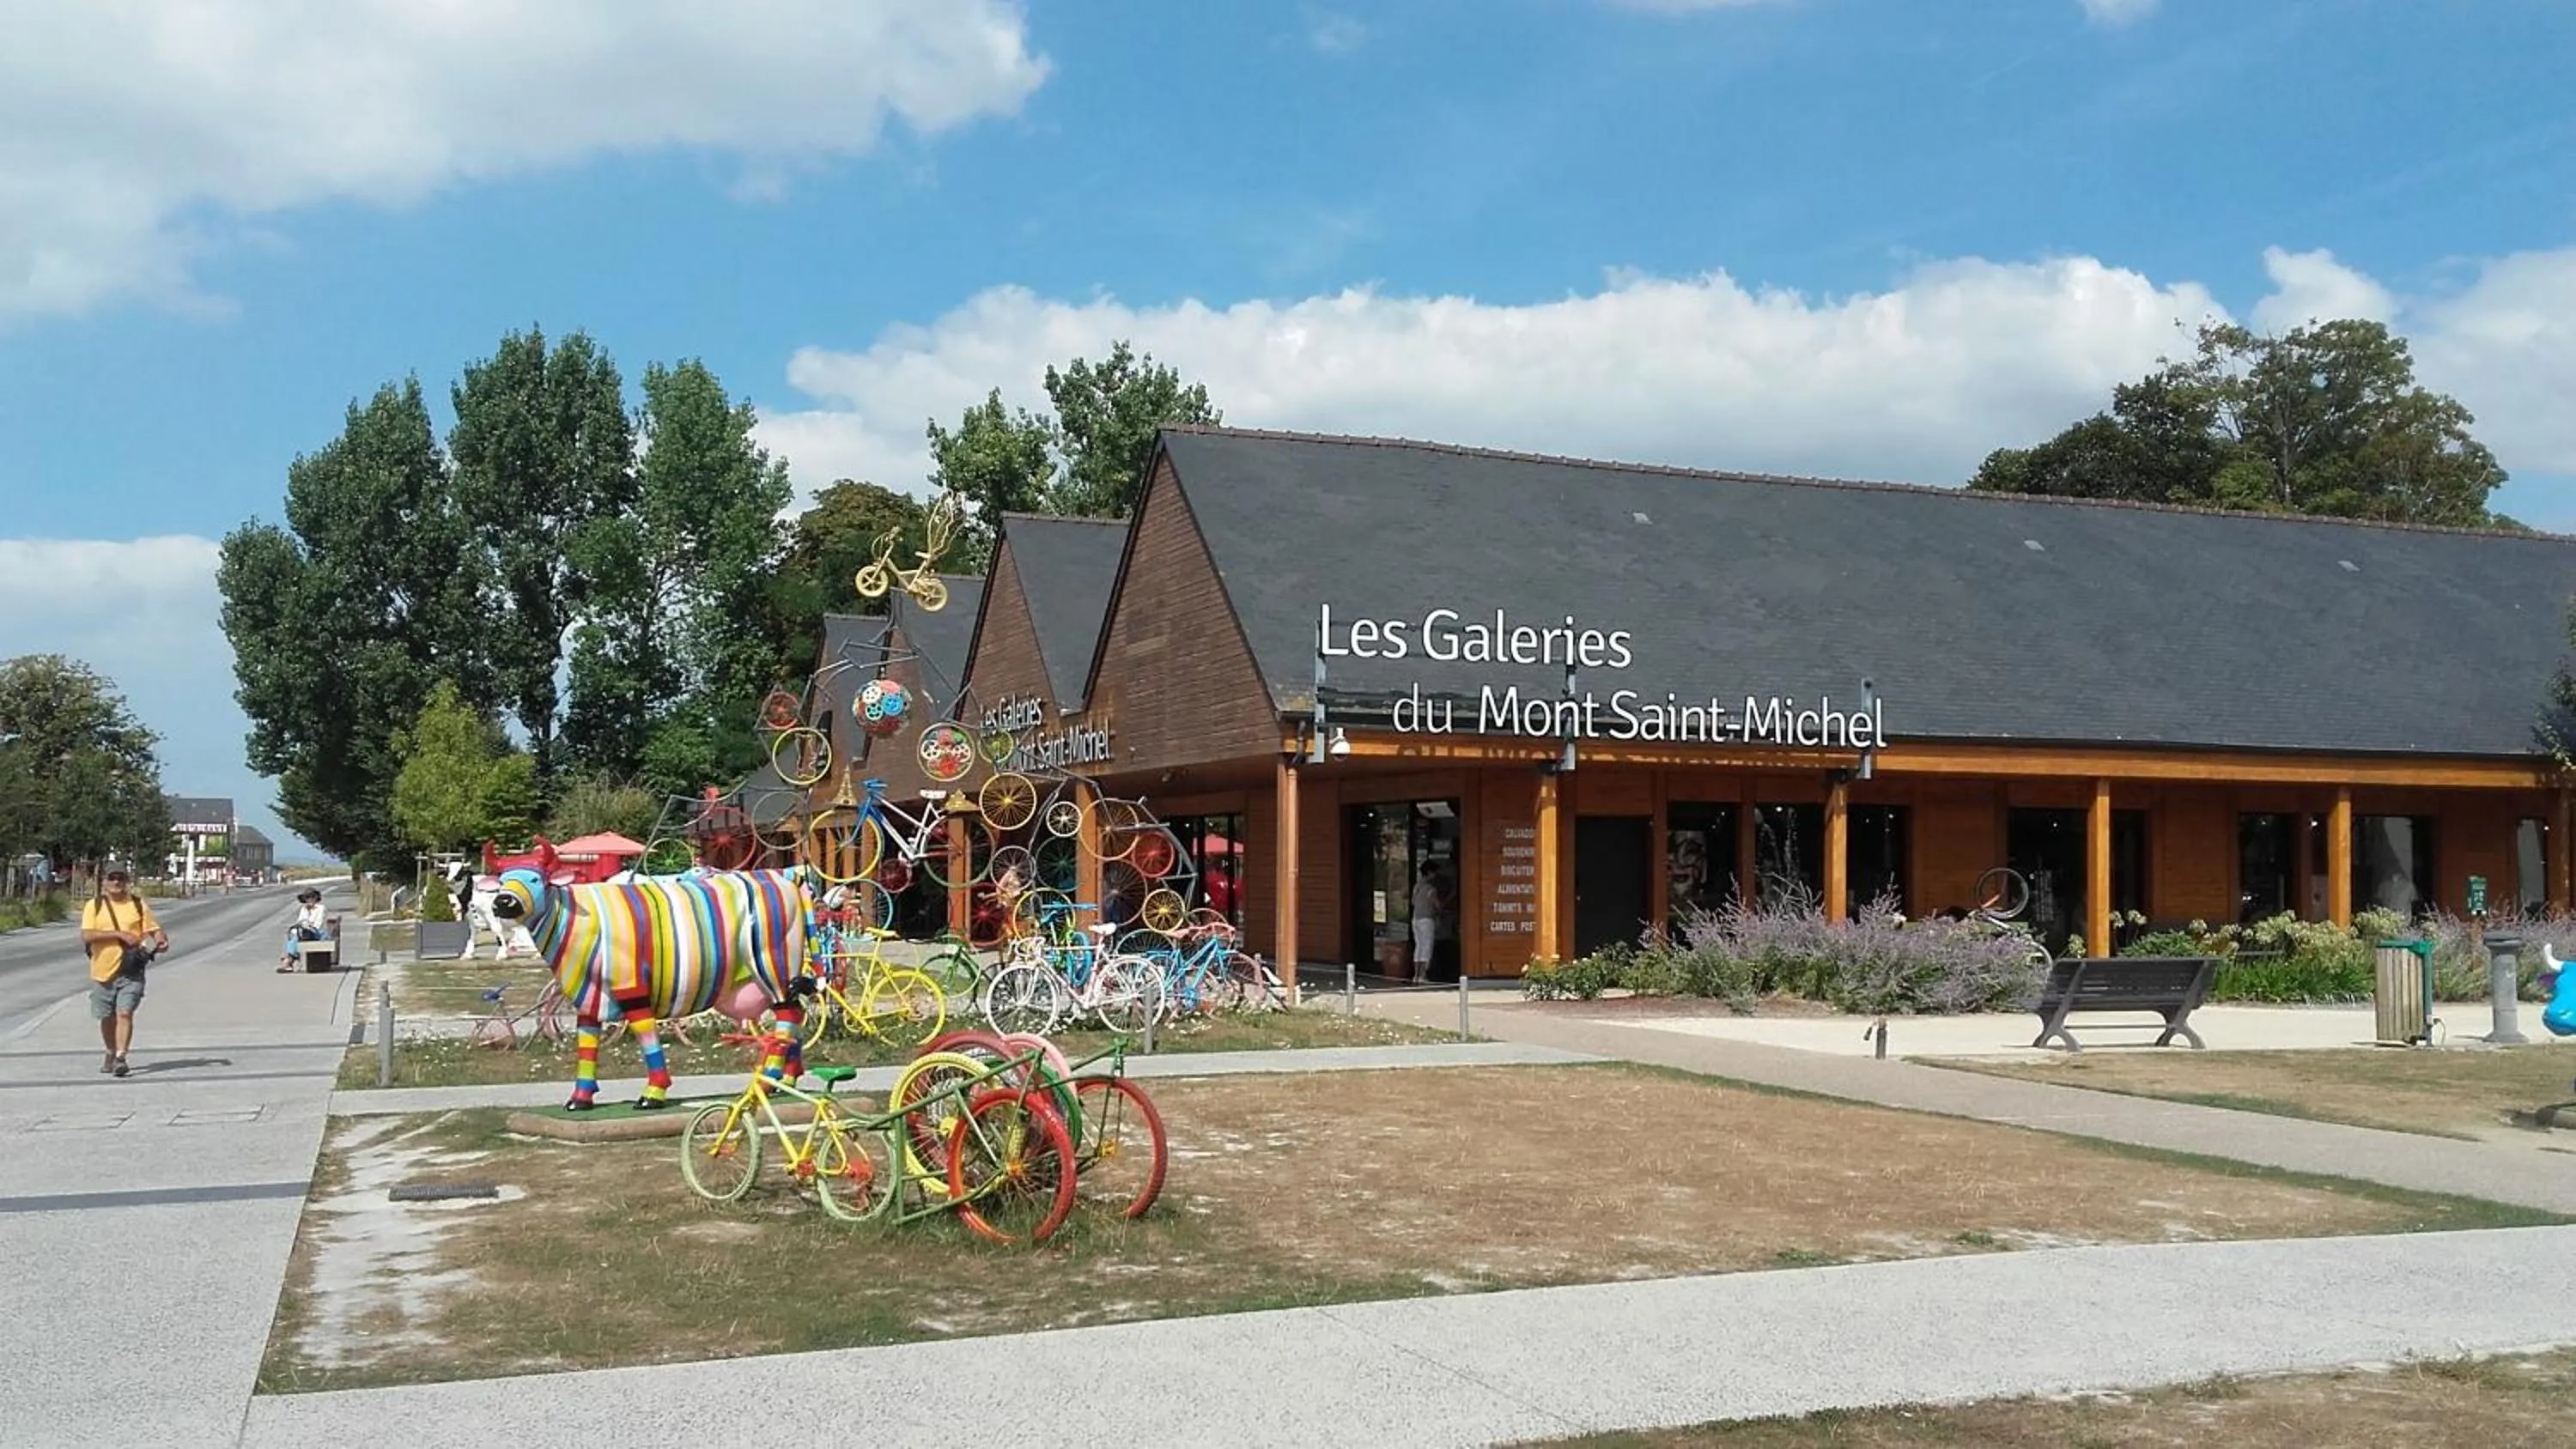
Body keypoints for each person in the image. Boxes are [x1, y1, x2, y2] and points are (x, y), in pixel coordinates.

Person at [82, 868, 167, 1077]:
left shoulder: (137, 904)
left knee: (124, 1012)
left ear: (127, 881)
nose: (117, 882)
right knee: (107, 1017)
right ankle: (110, 1050)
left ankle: (121, 1057)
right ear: (104, 882)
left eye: (121, 878)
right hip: (103, 970)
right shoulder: (95, 905)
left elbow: (154, 928)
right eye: (112, 878)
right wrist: (118, 934)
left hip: (131, 969)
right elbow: (87, 935)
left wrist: (160, 939)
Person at [1410, 862, 1444, 984]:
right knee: (1426, 947)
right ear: (1430, 872)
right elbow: (1437, 905)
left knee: (1418, 947)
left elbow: (1413, 902)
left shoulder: (1417, 886)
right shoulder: (1431, 889)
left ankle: (1416, 975)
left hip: (1416, 919)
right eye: (1434, 872)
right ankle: (1423, 975)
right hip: (1427, 919)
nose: (1435, 875)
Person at [278, 888, 327, 972]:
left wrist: (308, 925)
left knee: (298, 936)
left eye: (312, 897)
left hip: (317, 933)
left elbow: (319, 924)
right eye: (307, 897)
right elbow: (300, 921)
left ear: (316, 898)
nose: (310, 899)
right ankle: (291, 959)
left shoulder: (321, 908)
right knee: (294, 936)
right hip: (304, 932)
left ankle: (289, 961)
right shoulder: (304, 909)